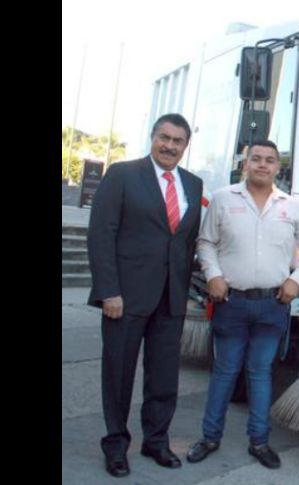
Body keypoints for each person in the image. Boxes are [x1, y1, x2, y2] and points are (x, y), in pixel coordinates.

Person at [187, 140, 299, 469]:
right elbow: (205, 241)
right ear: (245, 164)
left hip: (271, 305)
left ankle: (259, 442)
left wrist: (295, 280)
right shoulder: (223, 199)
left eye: (270, 160)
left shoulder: (292, 207)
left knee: (260, 373)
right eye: (256, 159)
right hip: (231, 302)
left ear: (278, 167)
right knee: (224, 372)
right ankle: (209, 437)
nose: (262, 165)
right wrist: (213, 274)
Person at [87, 113, 203, 478]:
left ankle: (156, 441)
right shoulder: (122, 175)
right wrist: (109, 291)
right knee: (118, 374)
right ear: (152, 137)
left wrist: (186, 291)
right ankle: (116, 445)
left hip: (171, 300)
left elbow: (185, 243)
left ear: (186, 146)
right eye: (164, 137)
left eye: (177, 141)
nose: (169, 146)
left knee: (164, 377)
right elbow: (101, 234)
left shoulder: (194, 185)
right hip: (125, 297)